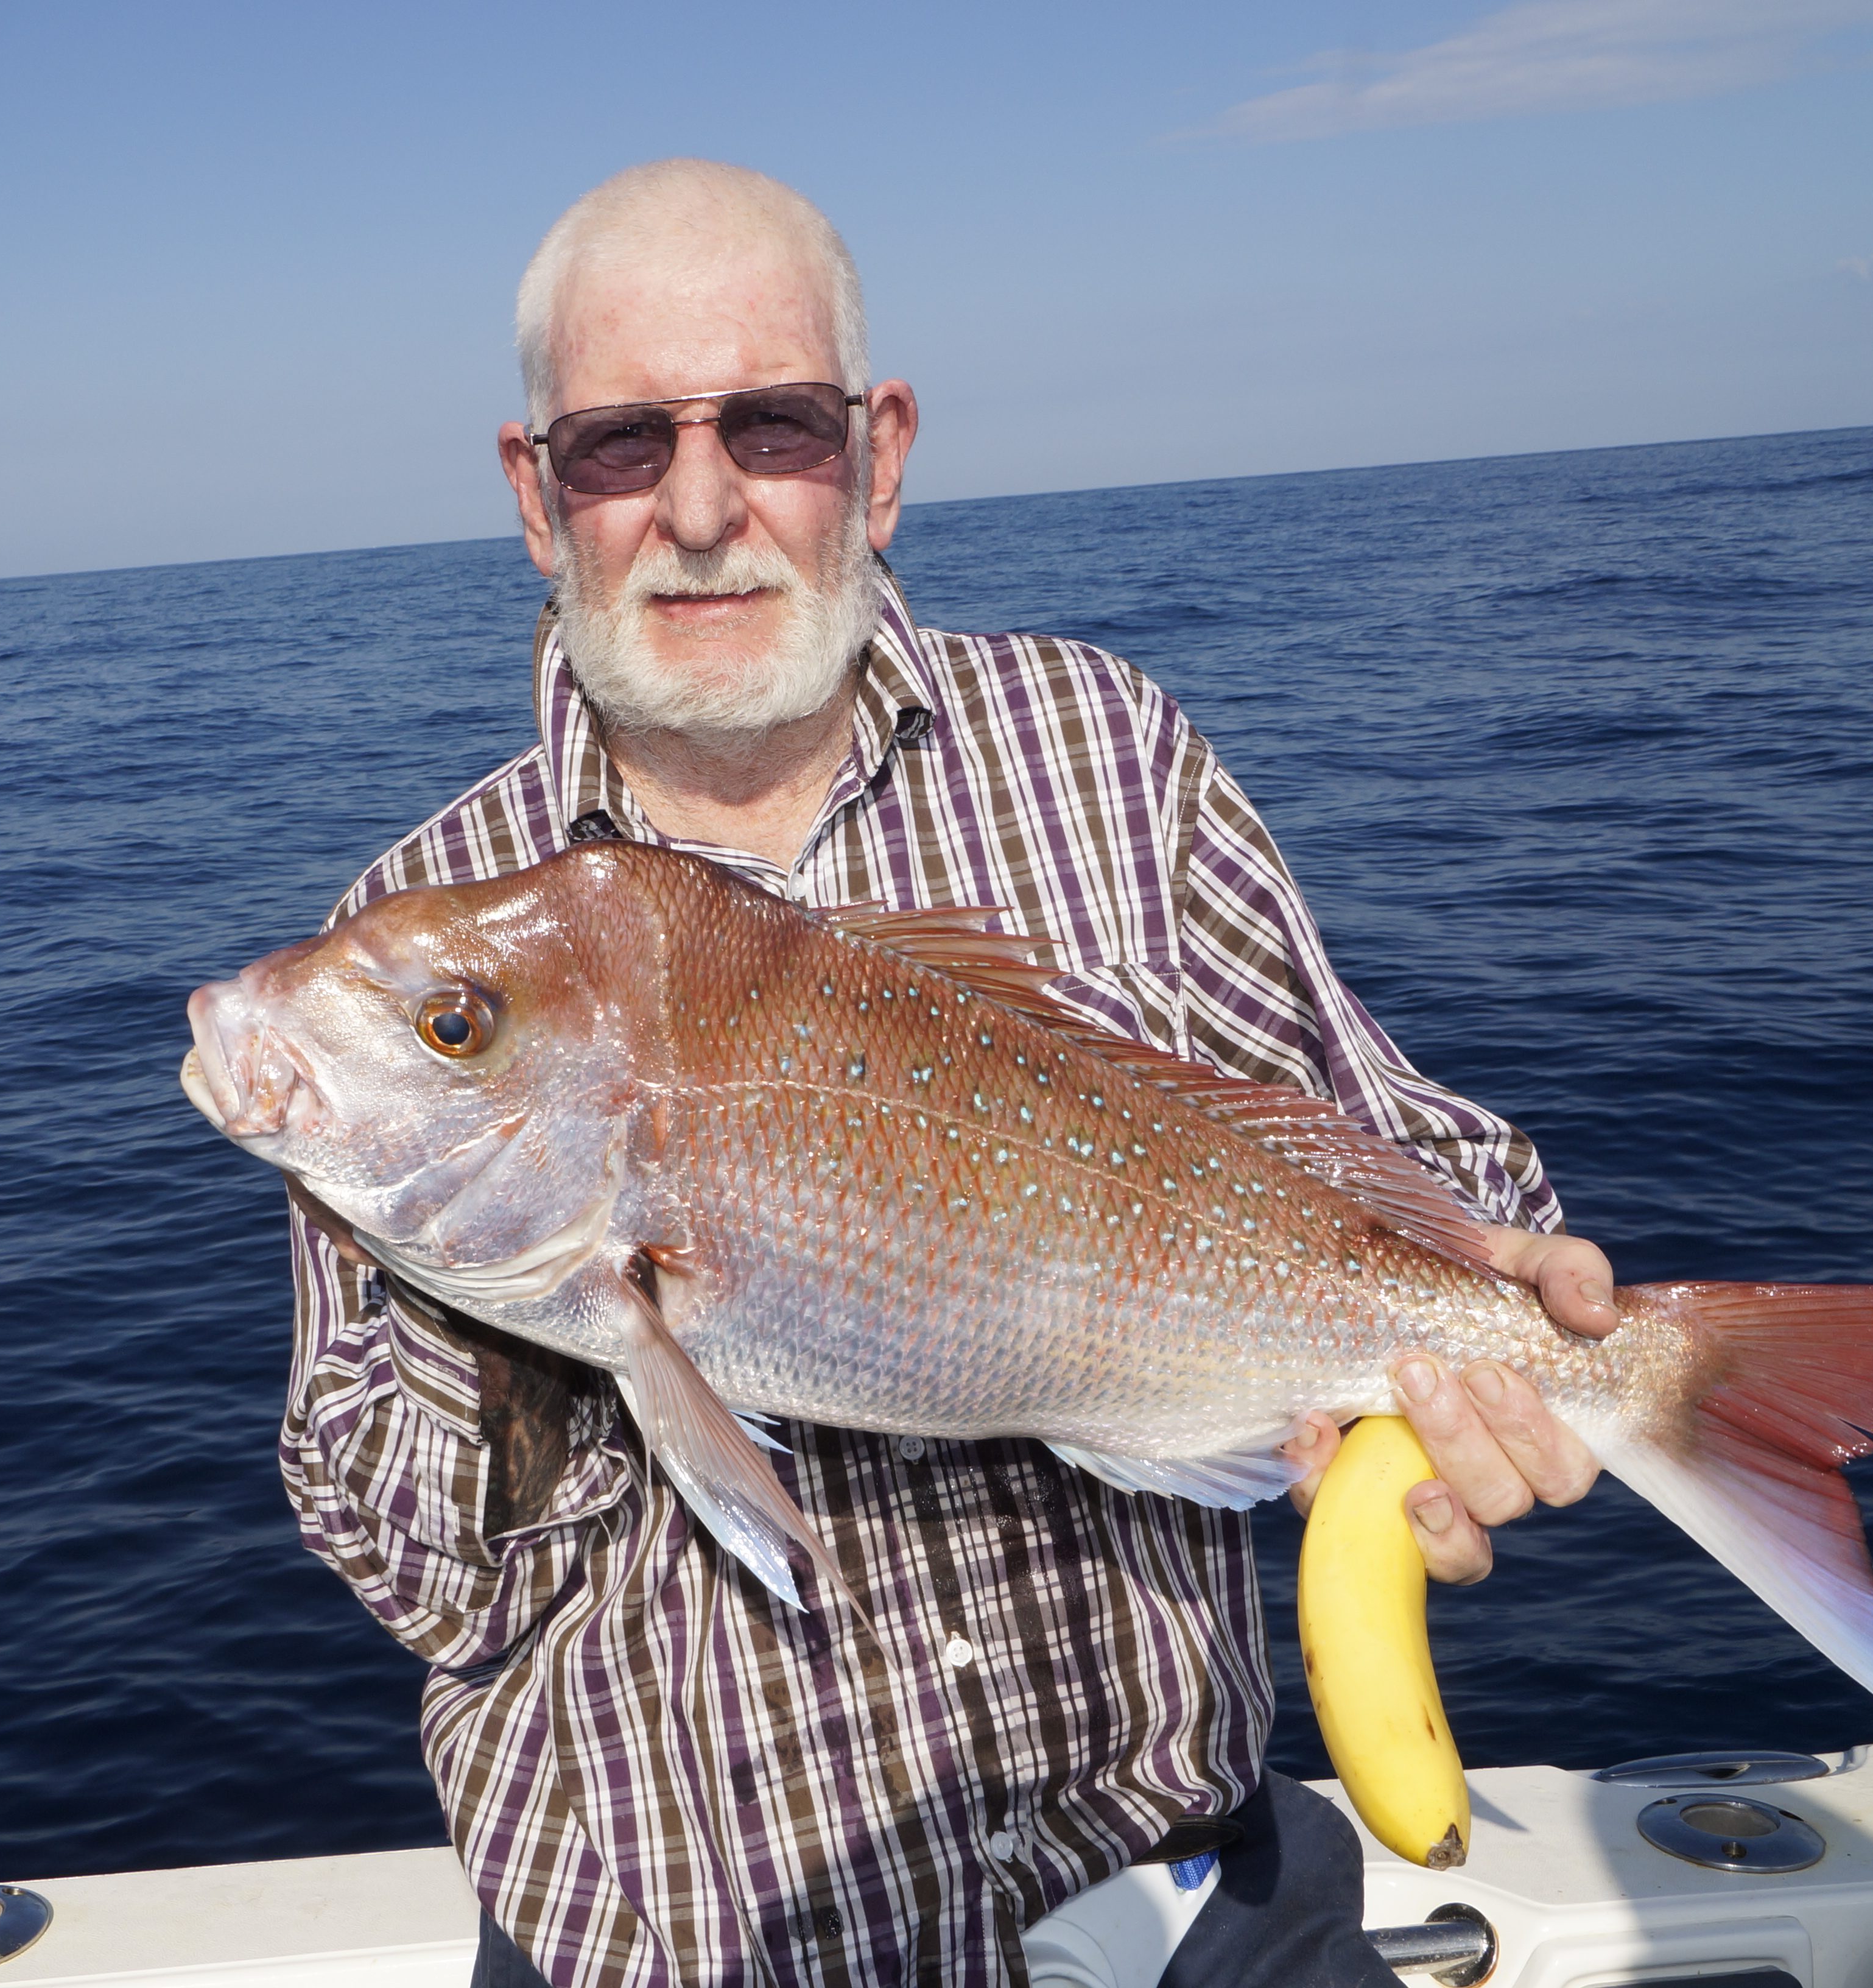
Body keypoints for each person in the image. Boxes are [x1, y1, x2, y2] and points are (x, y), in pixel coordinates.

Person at [276, 159, 1619, 1988]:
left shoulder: (1115, 757)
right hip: (681, 1945)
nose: (698, 505)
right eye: (616, 445)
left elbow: (1412, 1155)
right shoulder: (420, 947)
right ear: (535, 495)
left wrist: (1523, 1330)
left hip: (1182, 1907)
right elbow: (419, 1569)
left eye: (774, 424)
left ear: (880, 452)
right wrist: (508, 1254)